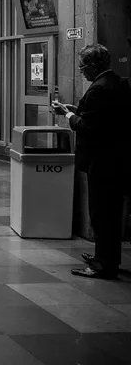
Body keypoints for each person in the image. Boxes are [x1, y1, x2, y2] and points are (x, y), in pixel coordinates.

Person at [53, 44, 131, 280]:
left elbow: (88, 127)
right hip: (117, 160)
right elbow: (102, 118)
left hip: (102, 161)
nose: (81, 71)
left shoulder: (98, 89)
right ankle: (107, 257)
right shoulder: (117, 83)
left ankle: (103, 265)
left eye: (83, 66)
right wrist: (76, 110)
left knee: (101, 214)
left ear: (94, 65)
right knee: (112, 213)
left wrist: (67, 115)